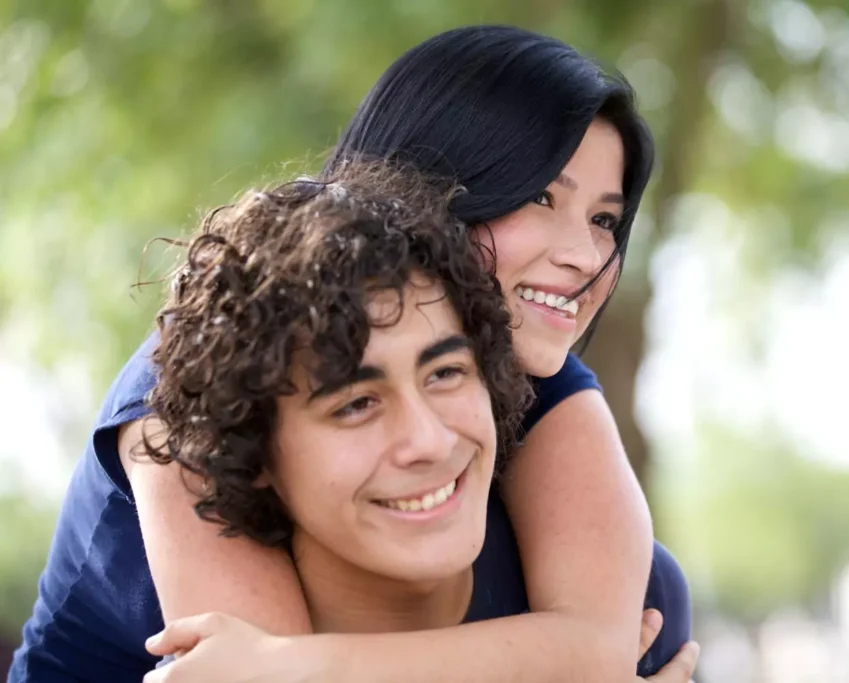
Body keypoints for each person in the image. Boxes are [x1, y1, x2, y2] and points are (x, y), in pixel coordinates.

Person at [10, 25, 697, 683]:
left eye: (605, 219)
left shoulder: (527, 357)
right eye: (541, 195)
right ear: (431, 179)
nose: (585, 256)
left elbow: (596, 646)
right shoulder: (211, 367)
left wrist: (289, 664)